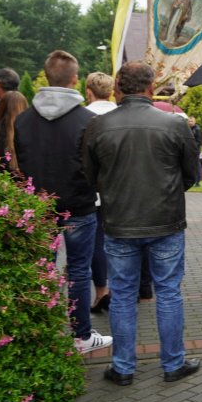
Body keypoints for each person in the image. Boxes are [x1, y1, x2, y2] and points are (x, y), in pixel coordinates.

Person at [83, 61, 200, 385]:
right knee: (168, 293)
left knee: (121, 296)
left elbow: (91, 177)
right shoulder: (175, 125)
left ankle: (123, 367)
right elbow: (192, 174)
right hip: (165, 222)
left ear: (119, 88)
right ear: (151, 88)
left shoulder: (97, 126)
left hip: (120, 222)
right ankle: (172, 363)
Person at [14, 50, 112, 355]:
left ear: (45, 77)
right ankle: (81, 336)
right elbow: (100, 166)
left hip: (39, 206)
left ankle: (38, 333)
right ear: (75, 79)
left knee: (40, 269)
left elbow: (21, 163)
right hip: (80, 205)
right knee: (79, 271)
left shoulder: (23, 120)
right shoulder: (89, 120)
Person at [84, 72, 117, 311]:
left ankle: (101, 291)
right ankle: (123, 288)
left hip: (95, 190)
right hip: (123, 190)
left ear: (88, 91)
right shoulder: (121, 115)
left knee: (98, 242)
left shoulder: (83, 118)